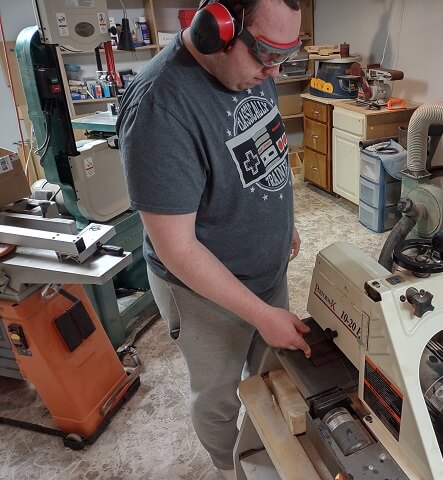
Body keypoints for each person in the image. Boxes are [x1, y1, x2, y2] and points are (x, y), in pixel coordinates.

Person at [116, 0, 311, 477]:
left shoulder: (251, 69)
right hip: (203, 293)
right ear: (214, 29)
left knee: (267, 377)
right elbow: (176, 248)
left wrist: (282, 222)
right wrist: (262, 314)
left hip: (265, 271)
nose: (271, 71)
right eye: (264, 54)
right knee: (218, 395)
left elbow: (261, 150)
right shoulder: (160, 108)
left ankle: (265, 453)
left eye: (284, 57)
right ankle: (229, 468)